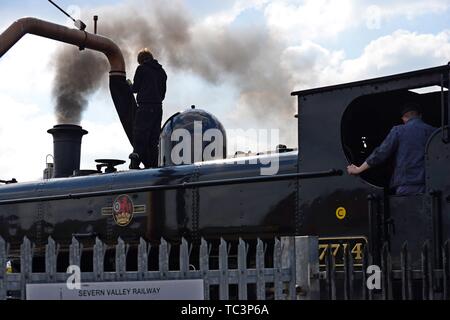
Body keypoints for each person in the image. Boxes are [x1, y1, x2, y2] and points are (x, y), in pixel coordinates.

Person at [347, 102, 436, 195]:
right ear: (420, 116)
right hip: (430, 186)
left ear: (404, 118)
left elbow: (380, 154)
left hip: (406, 186)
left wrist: (359, 169)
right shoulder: (433, 131)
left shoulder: (398, 131)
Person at [129, 48, 167, 169]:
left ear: (140, 60)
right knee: (153, 137)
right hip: (158, 108)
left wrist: (128, 85)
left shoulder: (142, 69)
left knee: (140, 133)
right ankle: (153, 164)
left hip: (145, 106)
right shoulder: (162, 72)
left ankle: (135, 162)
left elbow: (135, 88)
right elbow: (163, 94)